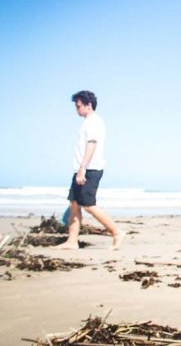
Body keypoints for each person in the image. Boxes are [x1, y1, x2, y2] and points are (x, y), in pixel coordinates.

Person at [53, 91, 124, 250]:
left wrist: (82, 168)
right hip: (82, 169)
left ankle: (117, 232)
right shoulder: (88, 122)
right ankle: (72, 241)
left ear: (88, 105)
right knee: (74, 204)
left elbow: (92, 144)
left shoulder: (94, 122)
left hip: (90, 169)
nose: (76, 109)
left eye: (78, 106)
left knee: (88, 205)